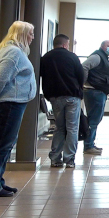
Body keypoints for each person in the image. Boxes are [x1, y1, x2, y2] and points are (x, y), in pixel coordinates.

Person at [0, 21, 37, 197]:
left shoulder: (15, 51)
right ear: (21, 34)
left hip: (15, 103)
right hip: (11, 103)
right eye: (30, 33)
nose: (33, 37)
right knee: (3, 145)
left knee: (5, 144)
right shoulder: (13, 52)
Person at [41, 34, 85, 166]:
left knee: (59, 127)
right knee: (72, 128)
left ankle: (55, 158)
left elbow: (42, 76)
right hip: (72, 96)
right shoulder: (72, 57)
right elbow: (81, 76)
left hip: (55, 97)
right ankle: (69, 159)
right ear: (65, 44)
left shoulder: (46, 58)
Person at [81, 39, 109, 155]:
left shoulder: (103, 57)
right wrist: (83, 82)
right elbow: (84, 67)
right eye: (108, 46)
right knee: (94, 120)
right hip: (94, 92)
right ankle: (88, 146)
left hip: (98, 92)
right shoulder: (97, 56)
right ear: (102, 46)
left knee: (95, 119)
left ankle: (90, 144)